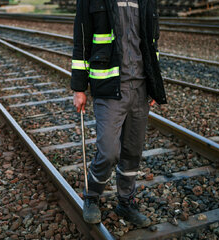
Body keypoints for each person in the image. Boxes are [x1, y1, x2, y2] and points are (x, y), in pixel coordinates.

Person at [71, 0, 167, 227]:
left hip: (140, 87)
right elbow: (81, 42)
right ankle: (92, 197)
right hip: (109, 87)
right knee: (109, 152)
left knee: (132, 151)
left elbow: (152, 43)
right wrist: (78, 88)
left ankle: (126, 201)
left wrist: (154, 83)